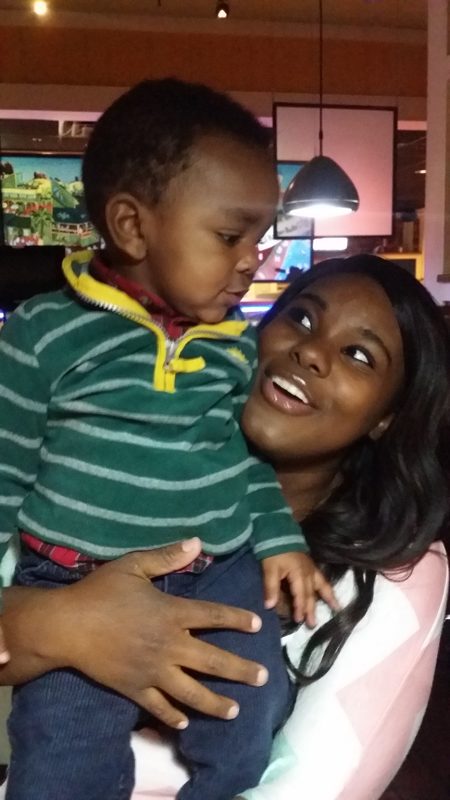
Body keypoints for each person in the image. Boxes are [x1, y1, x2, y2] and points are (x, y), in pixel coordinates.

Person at [0, 254, 448, 799]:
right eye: (302, 318)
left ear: (386, 416)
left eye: (359, 355)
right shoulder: (97, 468)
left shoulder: (396, 574)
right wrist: (64, 623)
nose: (311, 351)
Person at [0, 78, 337, 800]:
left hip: (218, 570)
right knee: (60, 761)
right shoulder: (43, 333)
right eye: (230, 236)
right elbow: (4, 467)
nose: (252, 259)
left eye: (260, 239)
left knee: (249, 720)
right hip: (74, 580)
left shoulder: (233, 344)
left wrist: (280, 541)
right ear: (132, 226)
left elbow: (241, 461)